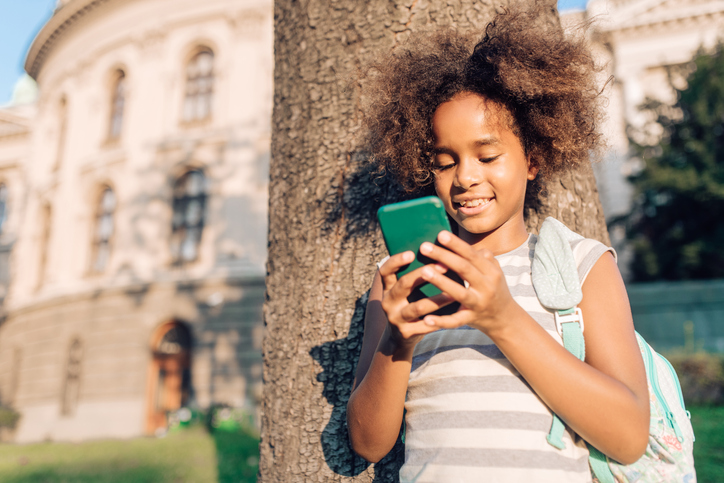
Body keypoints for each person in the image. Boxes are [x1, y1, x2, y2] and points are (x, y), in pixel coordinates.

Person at [346, 5, 650, 483]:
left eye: (487, 155)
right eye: (445, 162)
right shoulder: (401, 278)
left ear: (533, 158)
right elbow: (367, 442)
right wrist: (398, 337)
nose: (466, 177)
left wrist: (503, 319)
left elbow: (629, 438)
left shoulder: (584, 265)